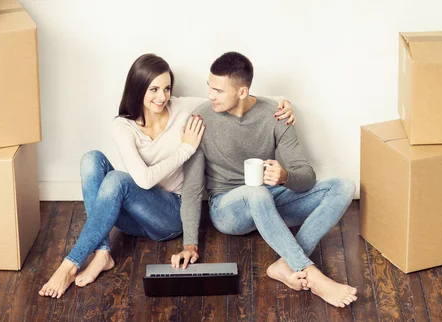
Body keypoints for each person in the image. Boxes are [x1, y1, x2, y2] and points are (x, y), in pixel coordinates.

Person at [38, 53, 297, 298]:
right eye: (154, 89)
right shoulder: (123, 126)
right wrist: (186, 149)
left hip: (172, 214)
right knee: (91, 160)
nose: (162, 97)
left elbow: (235, 94)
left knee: (116, 181)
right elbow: (144, 180)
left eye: (167, 88)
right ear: (138, 89)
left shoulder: (183, 108)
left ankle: (69, 266)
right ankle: (102, 253)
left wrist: (282, 101)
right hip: (137, 214)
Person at [172, 52, 358, 308]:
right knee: (255, 191)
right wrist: (189, 244)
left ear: (242, 91)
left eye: (217, 90)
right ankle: (311, 273)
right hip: (228, 209)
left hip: (269, 200)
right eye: (209, 87)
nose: (210, 95)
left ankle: (285, 263)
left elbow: (306, 177)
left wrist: (284, 176)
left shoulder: (275, 114)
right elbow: (192, 189)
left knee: (344, 187)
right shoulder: (200, 120)